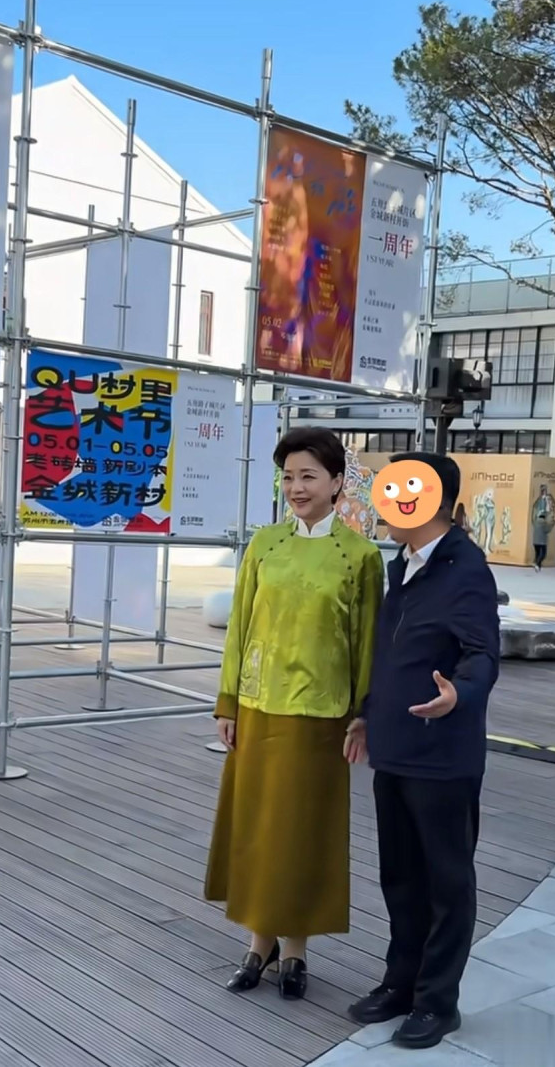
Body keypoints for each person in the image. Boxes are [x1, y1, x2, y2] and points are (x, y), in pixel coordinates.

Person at [205, 427, 384, 1001]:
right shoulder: (264, 544)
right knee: (258, 829)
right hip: (257, 711)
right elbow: (240, 626)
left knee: (304, 834)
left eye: (309, 476)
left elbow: (367, 643)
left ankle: (296, 951)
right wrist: (228, 703)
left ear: (337, 482)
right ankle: (258, 944)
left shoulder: (361, 556)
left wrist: (363, 713)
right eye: (288, 477)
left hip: (321, 719)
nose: (297, 487)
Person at [346, 452, 500, 1050]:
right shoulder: (402, 564)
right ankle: (401, 983)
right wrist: (367, 714)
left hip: (442, 755)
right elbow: (389, 652)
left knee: (446, 881)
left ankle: (438, 1002)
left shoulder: (466, 568)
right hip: (395, 747)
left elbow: (482, 653)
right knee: (401, 877)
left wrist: (459, 693)